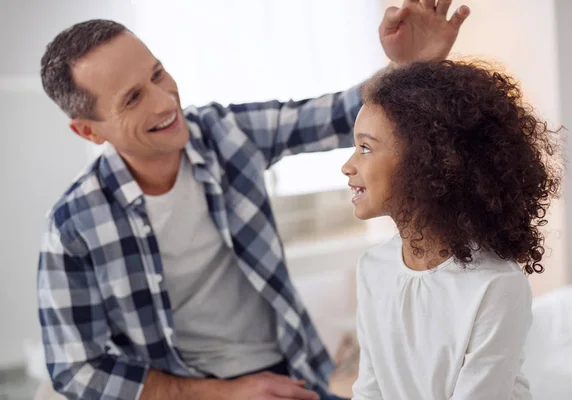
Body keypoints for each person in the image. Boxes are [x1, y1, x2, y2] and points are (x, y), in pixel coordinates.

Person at [37, 2, 470, 399]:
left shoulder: (224, 135)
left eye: (157, 73)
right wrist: (226, 394)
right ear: (89, 131)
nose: (165, 100)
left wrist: (411, 66)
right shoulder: (75, 224)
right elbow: (76, 369)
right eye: (133, 98)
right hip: (185, 390)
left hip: (294, 373)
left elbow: (336, 115)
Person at [341, 60, 562, 400]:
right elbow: (369, 390)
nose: (347, 166)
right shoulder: (373, 268)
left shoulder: (494, 285)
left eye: (366, 148)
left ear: (423, 161)